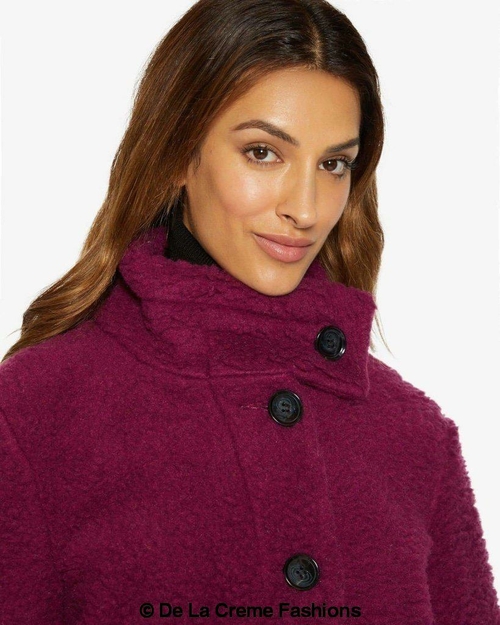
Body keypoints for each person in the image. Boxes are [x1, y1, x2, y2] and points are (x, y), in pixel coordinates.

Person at [0, 0, 499, 623]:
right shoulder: (35, 414)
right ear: (179, 154)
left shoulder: (415, 439)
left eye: (333, 164)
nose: (306, 209)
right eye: (263, 152)